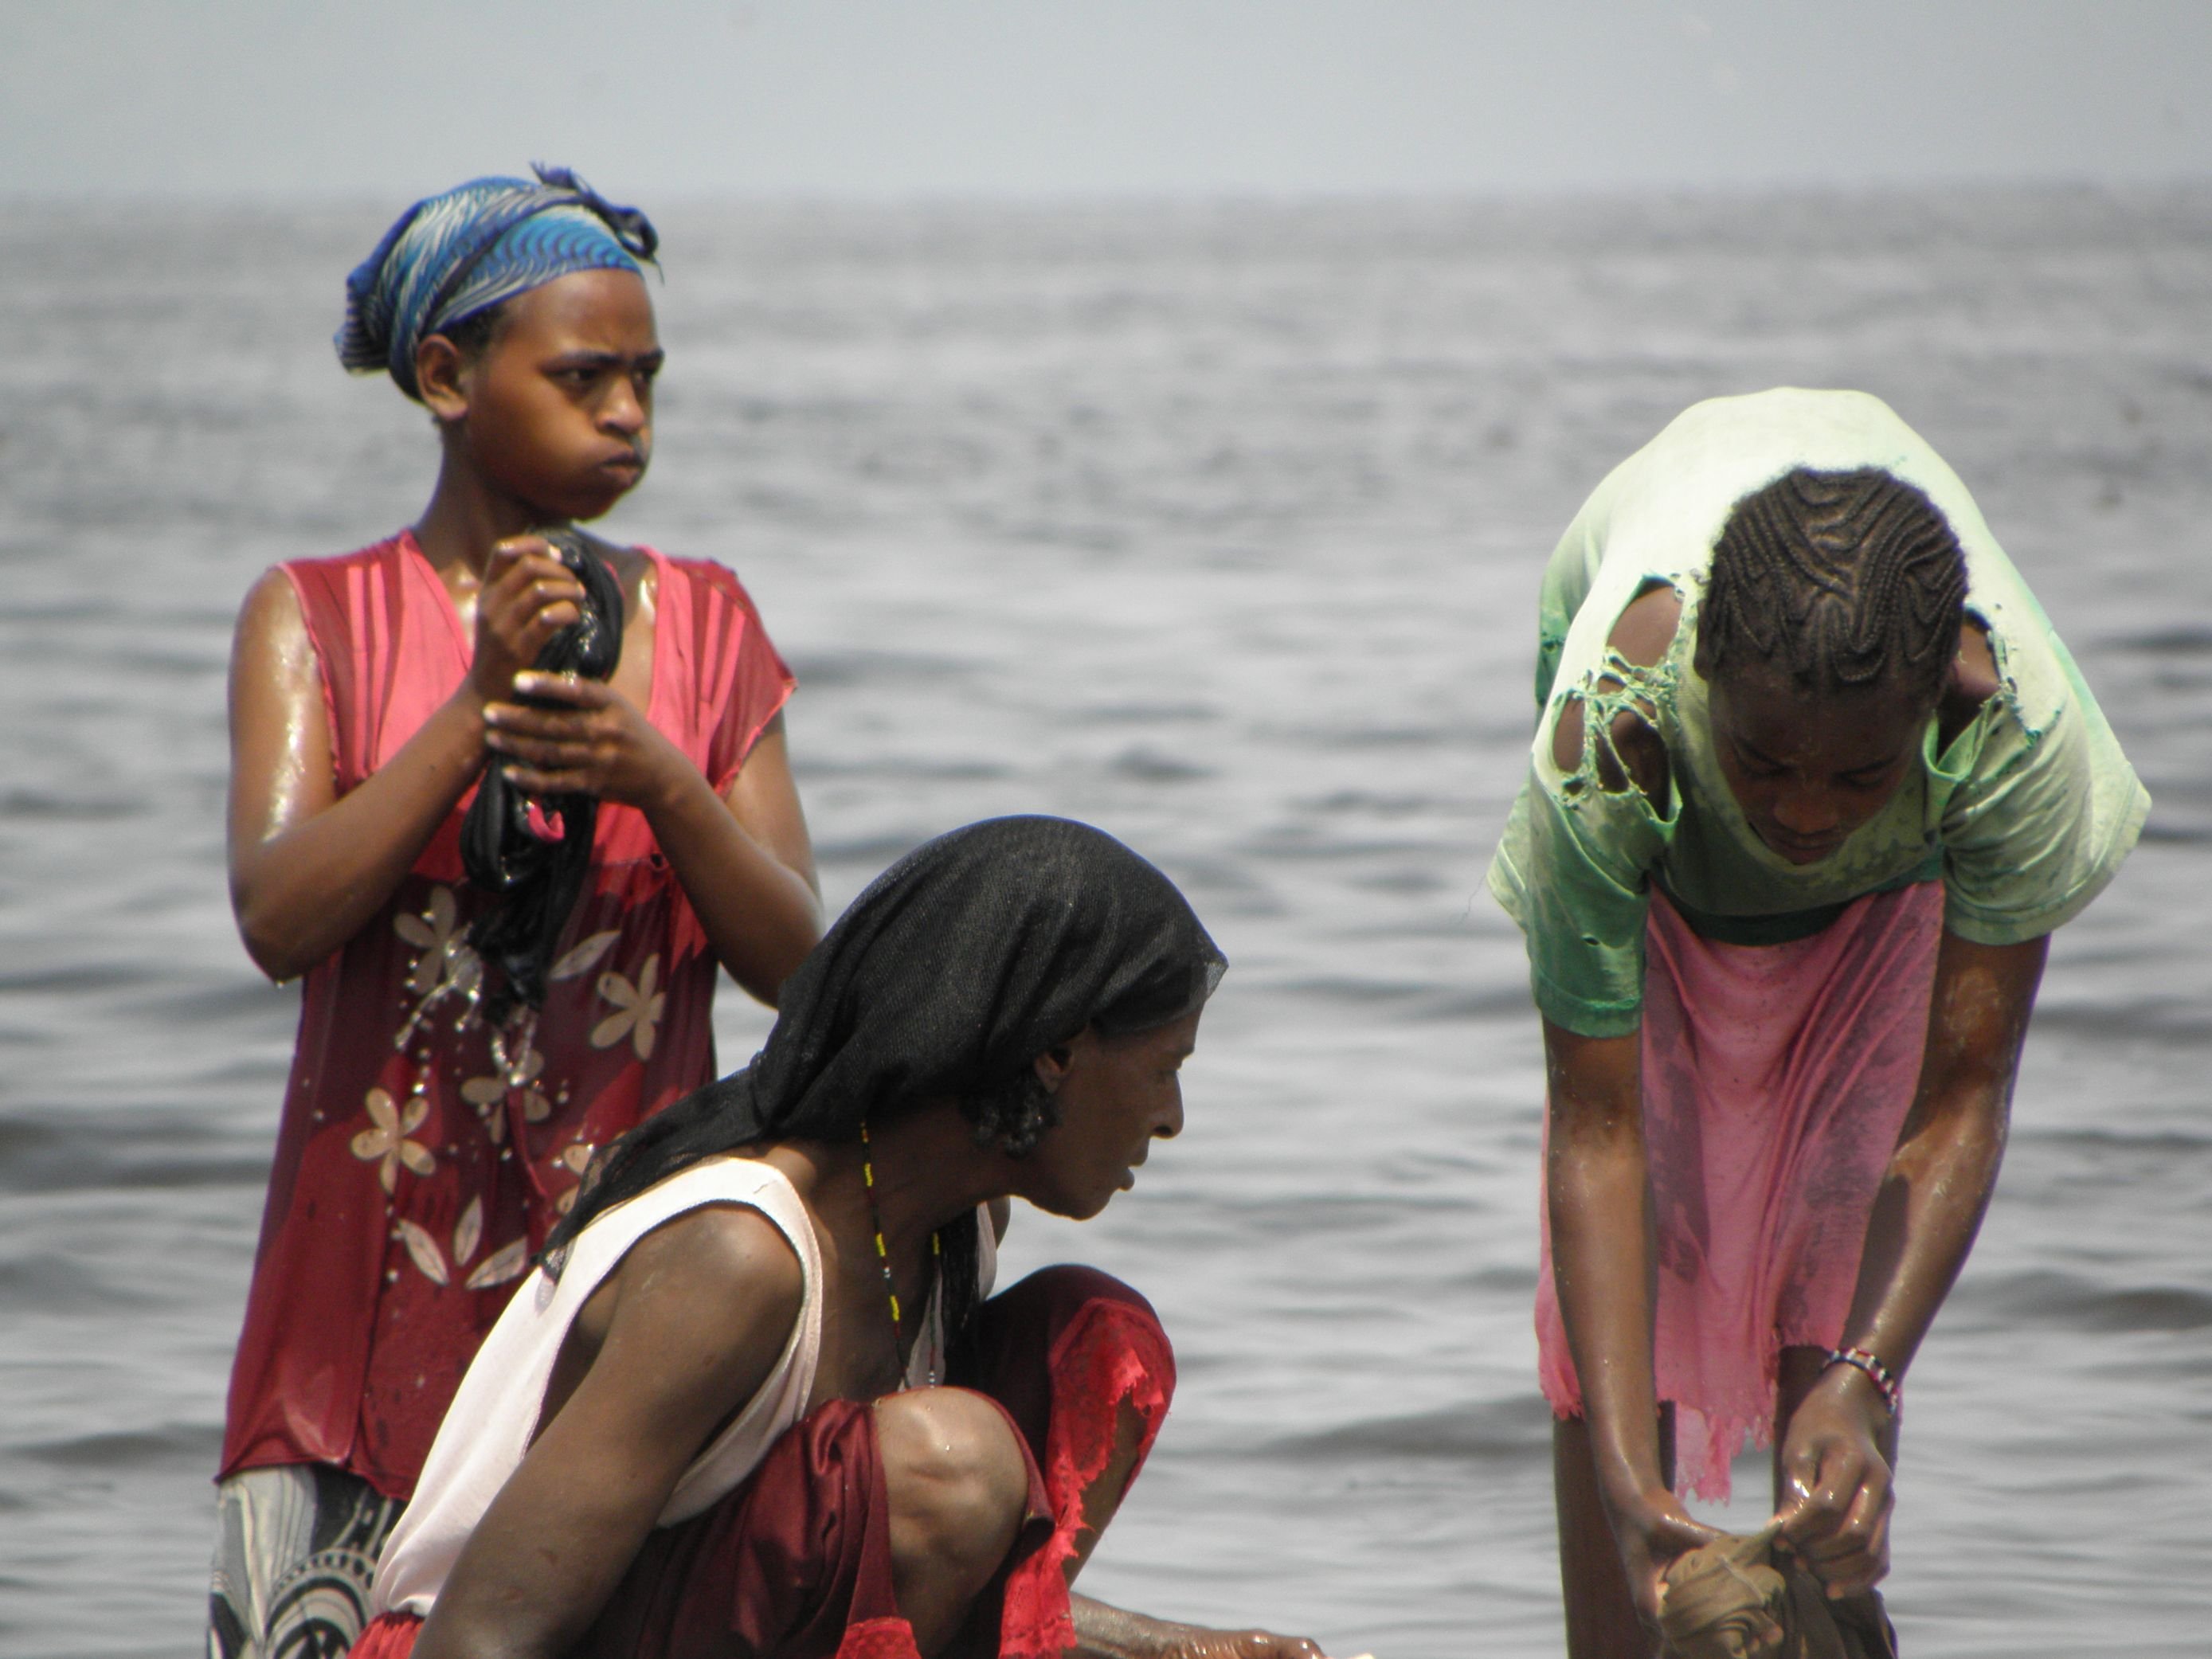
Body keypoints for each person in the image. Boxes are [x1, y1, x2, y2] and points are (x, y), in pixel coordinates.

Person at [211, 166, 822, 1656]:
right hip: (354, 1308)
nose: (630, 414)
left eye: (646, 379)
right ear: (443, 377)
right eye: (583, 376)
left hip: (620, 1318)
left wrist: (662, 783)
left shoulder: (705, 625)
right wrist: (469, 717)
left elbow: (806, 962)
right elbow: (279, 913)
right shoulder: (322, 618)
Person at [1486, 388, 2149, 1656]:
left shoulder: (2005, 732)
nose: (1800, 812)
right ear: (1707, 688)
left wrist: (1866, 1370)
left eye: (1854, 772)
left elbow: (1957, 1102)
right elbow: (1597, 1125)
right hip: (1666, 866)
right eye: (1765, 759)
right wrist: (1632, 1483)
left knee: (1832, 1404)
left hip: (1893, 899)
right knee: (1627, 1426)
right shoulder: (1608, 737)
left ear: (1930, 710)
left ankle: (1839, 1604)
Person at [348, 815, 1330, 1659]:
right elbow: (479, 1636)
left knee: (1097, 1338)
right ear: (1056, 1053)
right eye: (1165, 1068)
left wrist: (1185, 1646)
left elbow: (845, 1571)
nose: (1171, 1119)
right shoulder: (740, 1258)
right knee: (959, 1463)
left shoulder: (954, 1223)